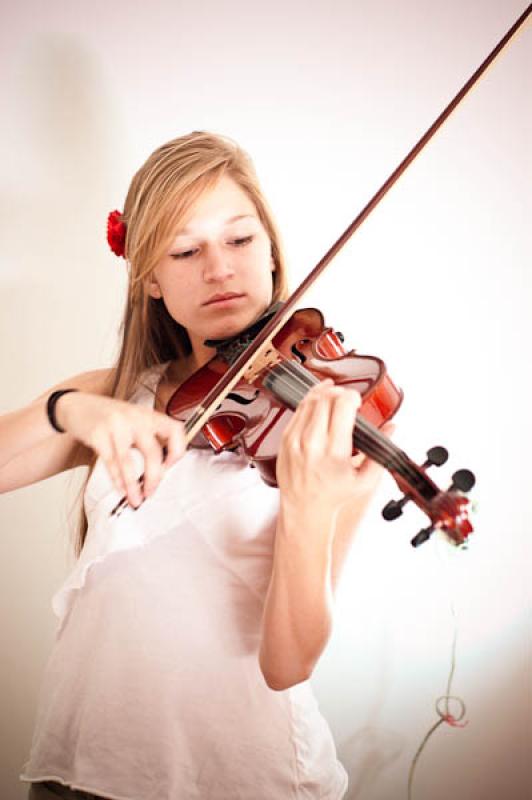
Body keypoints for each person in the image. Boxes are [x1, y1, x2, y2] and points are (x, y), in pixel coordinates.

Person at [1, 131, 390, 800]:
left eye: (239, 240)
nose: (219, 268)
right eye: (186, 250)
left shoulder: (330, 424)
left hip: (245, 778)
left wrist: (307, 506)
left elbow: (287, 663)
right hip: (79, 773)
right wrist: (73, 410)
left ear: (270, 251)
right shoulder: (118, 395)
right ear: (150, 277)